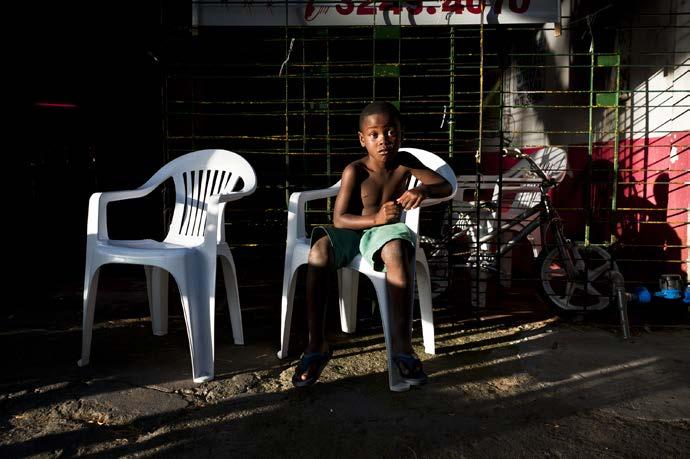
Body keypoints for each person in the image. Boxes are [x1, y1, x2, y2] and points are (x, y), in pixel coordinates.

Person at [292, 101, 452, 388]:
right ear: (362, 139)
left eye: (390, 132)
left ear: (401, 135)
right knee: (318, 251)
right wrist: (376, 217)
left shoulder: (406, 163)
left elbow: (446, 186)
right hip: (355, 228)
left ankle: (402, 347)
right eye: (375, 134)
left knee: (398, 249)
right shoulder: (355, 170)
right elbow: (339, 219)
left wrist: (422, 189)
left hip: (384, 234)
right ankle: (317, 344)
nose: (384, 141)